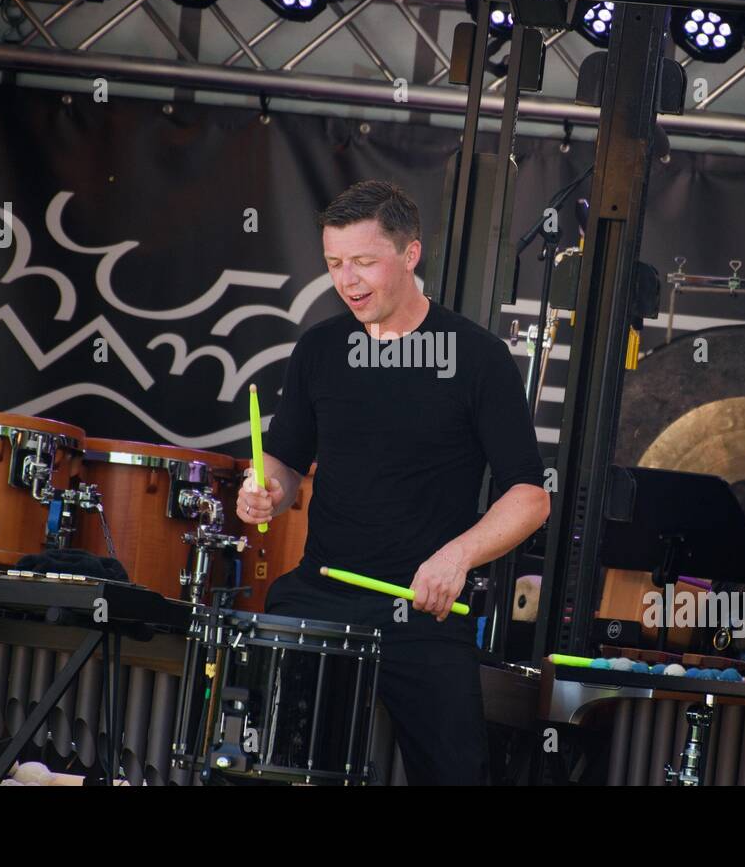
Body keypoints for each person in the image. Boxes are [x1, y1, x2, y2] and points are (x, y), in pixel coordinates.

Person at [236, 179, 550, 785]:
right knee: (272, 769)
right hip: (321, 593)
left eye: (363, 261)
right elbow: (285, 464)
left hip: (422, 609)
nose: (347, 280)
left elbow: (529, 496)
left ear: (410, 256)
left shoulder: (478, 357)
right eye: (334, 264)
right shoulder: (320, 350)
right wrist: (265, 489)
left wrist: (457, 557)